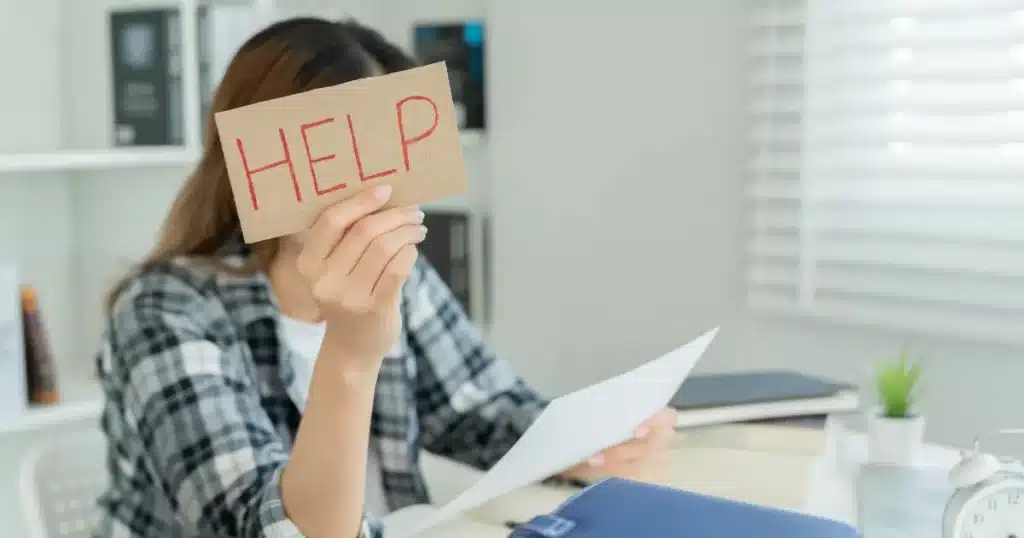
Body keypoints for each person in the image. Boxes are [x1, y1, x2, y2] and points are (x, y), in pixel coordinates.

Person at [92, 16, 677, 538]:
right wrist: (352, 348)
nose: (362, 179)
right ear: (254, 164)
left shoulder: (401, 271)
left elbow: (480, 410)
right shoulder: (164, 309)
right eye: (331, 149)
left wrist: (591, 444)